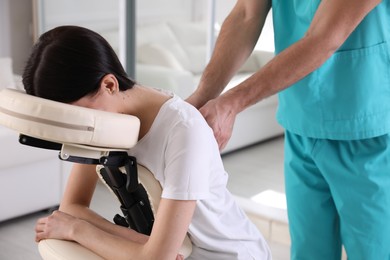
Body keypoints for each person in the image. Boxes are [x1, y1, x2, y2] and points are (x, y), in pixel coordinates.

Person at [24, 25, 271, 260]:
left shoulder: (183, 130)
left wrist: (78, 230)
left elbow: (157, 256)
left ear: (109, 85)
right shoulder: (102, 121)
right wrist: (142, 243)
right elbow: (72, 208)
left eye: (76, 114)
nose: (77, 126)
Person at [186, 0, 389, 259]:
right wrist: (201, 97)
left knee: (374, 253)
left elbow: (324, 37)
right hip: (301, 123)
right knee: (308, 252)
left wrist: (233, 102)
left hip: (364, 129)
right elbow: (246, 15)